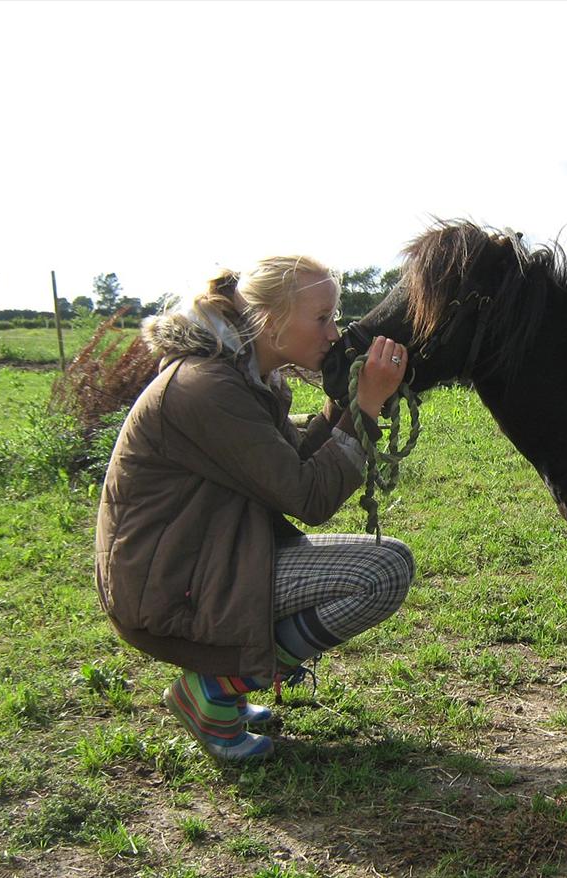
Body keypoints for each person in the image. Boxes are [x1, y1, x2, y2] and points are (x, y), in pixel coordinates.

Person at [95, 256, 415, 761]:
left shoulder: (242, 376)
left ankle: (222, 689)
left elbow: (287, 461)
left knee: (385, 564)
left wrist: (344, 401)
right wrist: (367, 410)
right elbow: (308, 497)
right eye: (322, 318)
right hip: (171, 586)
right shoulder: (208, 388)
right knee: (383, 570)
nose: (334, 333)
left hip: (207, 561)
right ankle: (216, 690)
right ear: (270, 319)